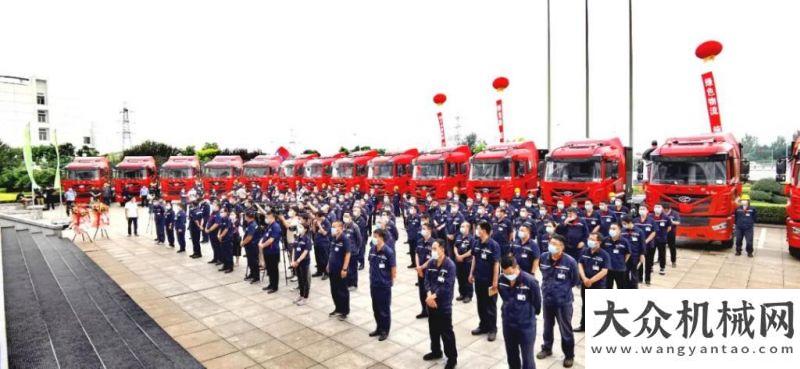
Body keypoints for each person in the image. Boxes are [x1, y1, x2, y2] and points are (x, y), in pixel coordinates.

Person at [537, 234, 580, 368]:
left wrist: (561, 289)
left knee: (565, 329)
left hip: (563, 302)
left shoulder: (570, 262)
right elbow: (542, 272)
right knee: (547, 326)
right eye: (551, 242)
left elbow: (575, 280)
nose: (552, 245)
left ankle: (569, 355)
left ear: (562, 247)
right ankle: (547, 348)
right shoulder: (544, 257)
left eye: (555, 244)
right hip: (547, 299)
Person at [498, 255, 542, 369]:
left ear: (516, 267)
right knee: (511, 355)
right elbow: (504, 298)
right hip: (508, 324)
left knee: (527, 358)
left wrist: (526, 314)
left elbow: (537, 303)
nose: (508, 276)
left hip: (526, 326)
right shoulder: (502, 280)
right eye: (505, 273)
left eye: (510, 273)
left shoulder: (530, 282)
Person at [422, 239, 457, 369]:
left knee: (446, 332)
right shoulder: (431, 263)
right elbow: (427, 281)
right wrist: (428, 295)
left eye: (435, 248)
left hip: (443, 304)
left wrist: (433, 297)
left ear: (442, 249)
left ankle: (452, 358)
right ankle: (436, 351)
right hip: (431, 302)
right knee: (433, 330)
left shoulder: (450, 265)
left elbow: (446, 286)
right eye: (432, 248)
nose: (433, 251)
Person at [469, 220, 501, 341]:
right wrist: (471, 273)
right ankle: (483, 325)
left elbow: (496, 264)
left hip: (489, 281)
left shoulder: (494, 245)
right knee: (481, 303)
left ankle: (492, 329)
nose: (477, 231)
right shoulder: (476, 243)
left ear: (484, 231)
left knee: (490, 305)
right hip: (479, 279)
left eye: (478, 229)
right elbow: (474, 259)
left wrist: (495, 281)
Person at [575, 232, 610, 333]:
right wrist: (584, 278)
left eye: (592, 239)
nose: (589, 241)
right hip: (585, 283)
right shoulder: (585, 251)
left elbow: (604, 271)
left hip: (598, 285)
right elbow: (580, 264)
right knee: (585, 305)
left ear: (599, 241)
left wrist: (591, 280)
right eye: (589, 238)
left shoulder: (604, 255)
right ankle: (583, 325)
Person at [368, 228, 396, 340]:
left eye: (376, 237)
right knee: (376, 308)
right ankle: (379, 328)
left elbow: (393, 268)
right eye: (373, 236)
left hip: (384, 285)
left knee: (384, 309)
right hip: (374, 283)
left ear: (382, 238)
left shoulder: (388, 251)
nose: (374, 239)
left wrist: (391, 280)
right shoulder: (372, 249)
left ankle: (385, 330)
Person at [327, 221, 352, 320]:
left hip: (340, 269)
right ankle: (337, 308)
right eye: (332, 226)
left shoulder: (345, 239)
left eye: (334, 227)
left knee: (342, 291)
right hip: (332, 269)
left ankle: (344, 311)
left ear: (340, 228)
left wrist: (344, 269)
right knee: (334, 290)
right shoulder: (334, 238)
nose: (332, 228)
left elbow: (348, 254)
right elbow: (331, 252)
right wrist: (328, 264)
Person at [259, 211, 282, 293]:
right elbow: (265, 236)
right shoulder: (270, 226)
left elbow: (271, 240)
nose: (266, 219)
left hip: (273, 251)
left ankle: (274, 286)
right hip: (267, 251)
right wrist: (261, 242)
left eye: (268, 217)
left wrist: (263, 245)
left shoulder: (276, 226)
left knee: (274, 270)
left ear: (273, 217)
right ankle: (271, 284)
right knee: (269, 269)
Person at [602, 223, 630, 289]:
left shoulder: (624, 241)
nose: (611, 230)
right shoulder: (605, 240)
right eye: (611, 228)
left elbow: (628, 253)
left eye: (614, 229)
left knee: (621, 287)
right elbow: (602, 252)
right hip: (608, 269)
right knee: (607, 287)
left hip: (620, 269)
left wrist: (622, 262)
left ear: (619, 230)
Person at [415, 223, 435, 319]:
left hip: (429, 271)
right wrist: (418, 267)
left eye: (424, 229)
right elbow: (416, 254)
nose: (422, 230)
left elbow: (432, 258)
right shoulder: (419, 241)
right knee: (422, 291)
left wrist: (422, 267)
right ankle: (424, 310)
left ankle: (430, 310)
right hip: (420, 270)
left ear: (429, 230)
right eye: (421, 228)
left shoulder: (433, 243)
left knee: (429, 291)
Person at [291, 222, 312, 305]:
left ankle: (305, 298)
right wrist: (293, 260)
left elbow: (305, 252)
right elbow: (294, 249)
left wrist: (298, 261)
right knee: (300, 280)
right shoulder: (297, 237)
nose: (299, 228)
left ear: (305, 229)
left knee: (305, 280)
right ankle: (301, 295)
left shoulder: (307, 239)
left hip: (304, 262)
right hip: (296, 263)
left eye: (301, 227)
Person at [453, 221, 474, 303]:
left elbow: (471, 250)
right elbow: (455, 246)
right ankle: (462, 293)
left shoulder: (471, 238)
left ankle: (468, 295)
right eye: (461, 226)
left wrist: (462, 256)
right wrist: (457, 255)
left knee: (467, 278)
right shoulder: (458, 236)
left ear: (468, 228)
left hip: (467, 262)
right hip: (458, 261)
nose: (461, 228)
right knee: (460, 278)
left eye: (463, 226)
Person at [651, 204, 672, 275]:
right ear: (653, 208)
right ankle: (650, 267)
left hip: (662, 239)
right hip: (652, 239)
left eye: (659, 207)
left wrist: (663, 234)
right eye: (656, 207)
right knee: (651, 254)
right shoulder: (650, 217)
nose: (657, 208)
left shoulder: (666, 217)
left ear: (662, 208)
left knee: (662, 254)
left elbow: (669, 228)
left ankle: (662, 268)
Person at [242, 212, 262, 283]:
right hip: (249, 246)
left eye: (245, 216)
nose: (244, 217)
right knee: (250, 261)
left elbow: (249, 237)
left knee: (254, 262)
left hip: (252, 246)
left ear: (248, 217)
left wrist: (242, 243)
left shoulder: (252, 225)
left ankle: (256, 277)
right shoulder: (250, 224)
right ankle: (252, 274)